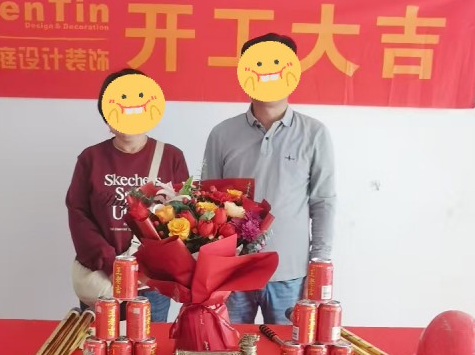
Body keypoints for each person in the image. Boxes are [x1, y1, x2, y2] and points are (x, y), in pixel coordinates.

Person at [202, 33, 336, 324]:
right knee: (231, 348)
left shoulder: (314, 134)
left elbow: (323, 202)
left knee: (289, 349)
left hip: (290, 273)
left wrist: (319, 264)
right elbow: (206, 203)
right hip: (234, 272)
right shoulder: (222, 134)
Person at [66, 68, 189, 321]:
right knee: (100, 343)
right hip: (101, 280)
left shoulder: (171, 157)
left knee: (149, 343)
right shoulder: (91, 158)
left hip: (151, 285)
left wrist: (150, 266)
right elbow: (78, 214)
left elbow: (184, 216)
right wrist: (111, 264)